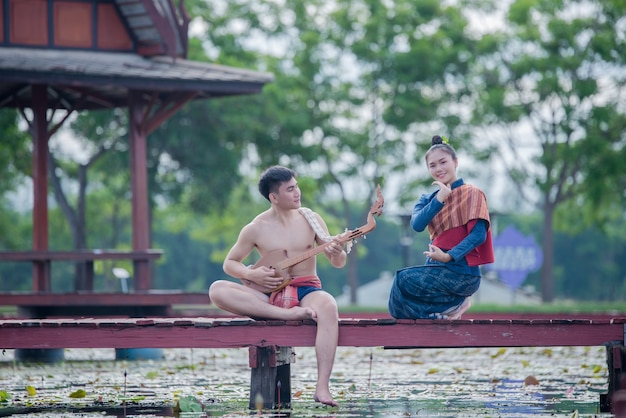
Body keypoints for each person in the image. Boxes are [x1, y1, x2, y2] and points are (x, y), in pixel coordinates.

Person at [208, 165, 347, 407]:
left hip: (307, 290)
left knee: (328, 305)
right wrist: (253, 274)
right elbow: (230, 263)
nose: (297, 193)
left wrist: (337, 251)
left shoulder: (311, 219)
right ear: (274, 197)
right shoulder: (256, 228)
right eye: (290, 189)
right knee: (217, 290)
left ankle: (322, 387)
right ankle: (286, 315)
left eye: (297, 186)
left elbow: (338, 263)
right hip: (271, 295)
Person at [388, 135, 494, 320]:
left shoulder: (472, 193)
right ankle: (444, 312)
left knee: (402, 280)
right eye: (433, 165)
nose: (439, 169)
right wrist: (439, 198)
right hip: (435, 271)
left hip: (462, 274)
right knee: (396, 305)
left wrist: (448, 256)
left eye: (443, 162)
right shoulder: (428, 199)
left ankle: (454, 305)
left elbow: (478, 235)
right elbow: (417, 225)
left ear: (455, 162)